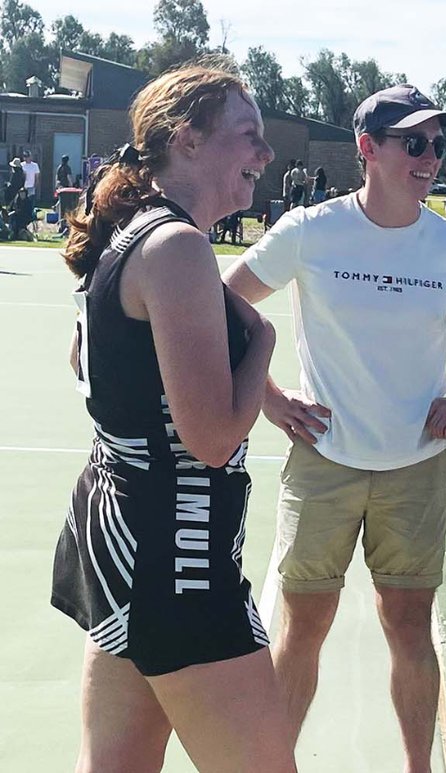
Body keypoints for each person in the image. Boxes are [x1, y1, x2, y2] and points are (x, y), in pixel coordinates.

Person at [222, 84, 446, 771]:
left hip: (415, 468)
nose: (430, 156)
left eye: (436, 144)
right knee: (302, 630)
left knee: (408, 627)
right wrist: (267, 396)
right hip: (322, 462)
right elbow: (222, 305)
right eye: (414, 142)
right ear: (367, 149)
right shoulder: (310, 231)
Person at [50, 64, 293, 771]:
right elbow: (213, 439)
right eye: (249, 137)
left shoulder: (132, 232)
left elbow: (84, 360)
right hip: (177, 559)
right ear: (187, 141)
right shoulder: (178, 246)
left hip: (122, 541)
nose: (265, 155)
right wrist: (265, 346)